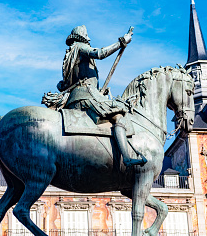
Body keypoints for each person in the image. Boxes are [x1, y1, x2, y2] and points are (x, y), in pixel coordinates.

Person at [58, 25, 146, 168]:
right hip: (85, 95)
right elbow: (100, 53)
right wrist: (122, 42)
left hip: (79, 95)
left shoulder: (70, 54)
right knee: (118, 116)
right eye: (87, 35)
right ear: (81, 37)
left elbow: (64, 84)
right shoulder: (80, 47)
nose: (89, 39)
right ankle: (127, 158)